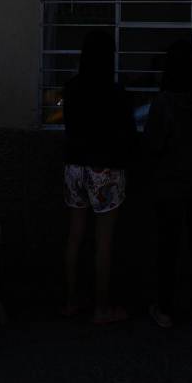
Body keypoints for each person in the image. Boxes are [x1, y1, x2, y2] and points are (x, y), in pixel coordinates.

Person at [60, 30, 137, 325]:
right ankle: (102, 308)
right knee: (104, 240)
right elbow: (127, 135)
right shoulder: (115, 92)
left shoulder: (71, 88)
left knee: (75, 235)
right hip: (104, 168)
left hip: (74, 167)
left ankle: (70, 302)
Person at [144, 41, 192, 330]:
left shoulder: (165, 102)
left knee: (168, 248)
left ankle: (165, 309)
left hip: (170, 185)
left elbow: (152, 144)